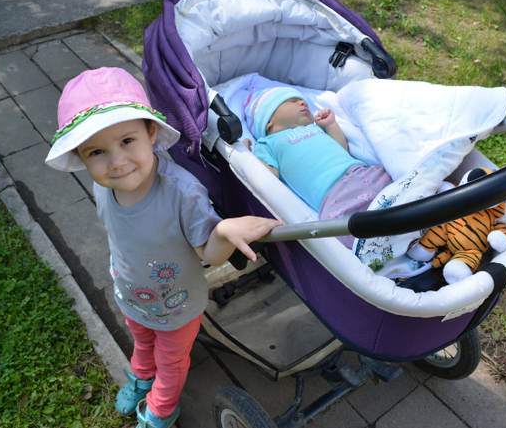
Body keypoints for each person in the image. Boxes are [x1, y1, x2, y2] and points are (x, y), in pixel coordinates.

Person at [45, 68, 280, 428]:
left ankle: (162, 405)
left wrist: (222, 232)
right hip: (130, 295)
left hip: (177, 307)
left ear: (151, 132)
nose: (117, 162)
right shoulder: (103, 186)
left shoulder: (182, 193)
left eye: (127, 141)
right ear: (81, 155)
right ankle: (142, 376)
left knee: (171, 362)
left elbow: (209, 254)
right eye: (97, 152)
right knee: (142, 342)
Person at [243, 86, 392, 249]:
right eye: (292, 101)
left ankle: (410, 215)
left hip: (364, 172)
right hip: (335, 195)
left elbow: (341, 149)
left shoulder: (314, 128)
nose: (302, 103)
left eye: (303, 101)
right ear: (268, 121)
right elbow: (270, 174)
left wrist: (331, 125)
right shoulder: (267, 143)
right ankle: (382, 247)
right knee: (339, 231)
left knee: (397, 181)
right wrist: (247, 158)